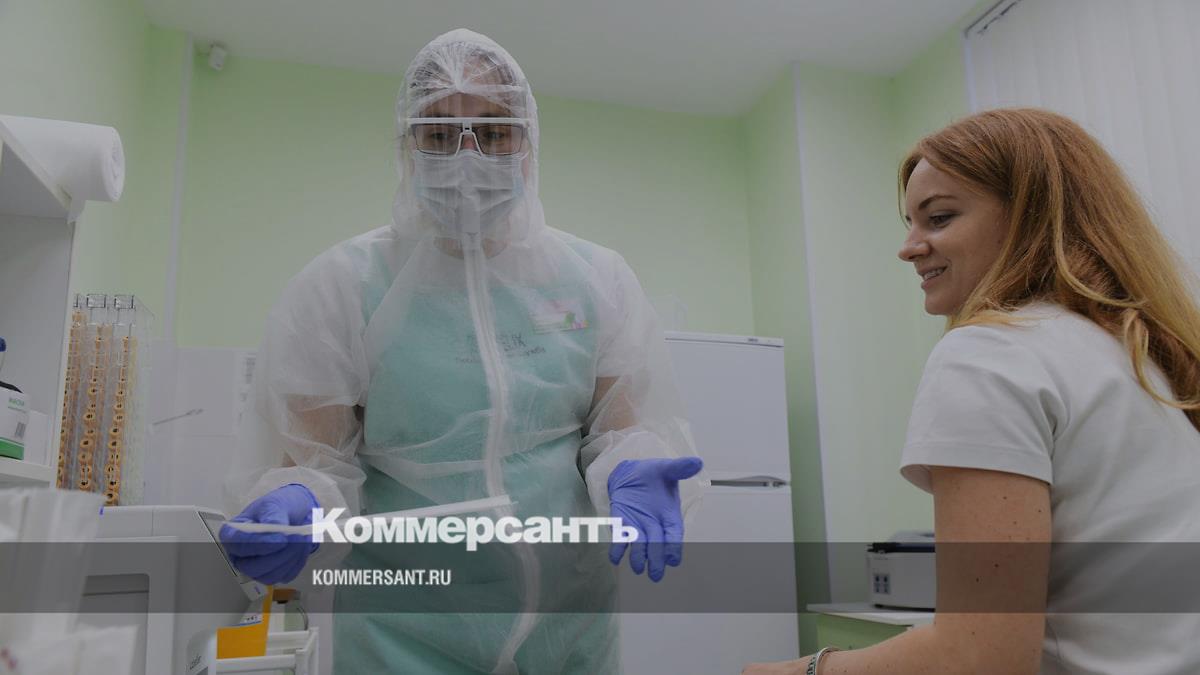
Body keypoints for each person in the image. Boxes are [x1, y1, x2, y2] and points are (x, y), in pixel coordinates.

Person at [219, 29, 703, 674]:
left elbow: (620, 426)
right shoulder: (344, 286)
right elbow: (314, 461)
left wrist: (631, 463)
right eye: (441, 133)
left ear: (527, 145)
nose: (468, 155)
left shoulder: (594, 278)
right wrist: (298, 499)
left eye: (494, 132)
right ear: (407, 145)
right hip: (401, 636)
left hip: (568, 630)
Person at [745, 108, 1200, 674]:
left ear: (1031, 217)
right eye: (910, 223)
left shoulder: (991, 351)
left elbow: (979, 658)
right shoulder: (1149, 360)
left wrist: (802, 670)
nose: (909, 247)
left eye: (938, 218)